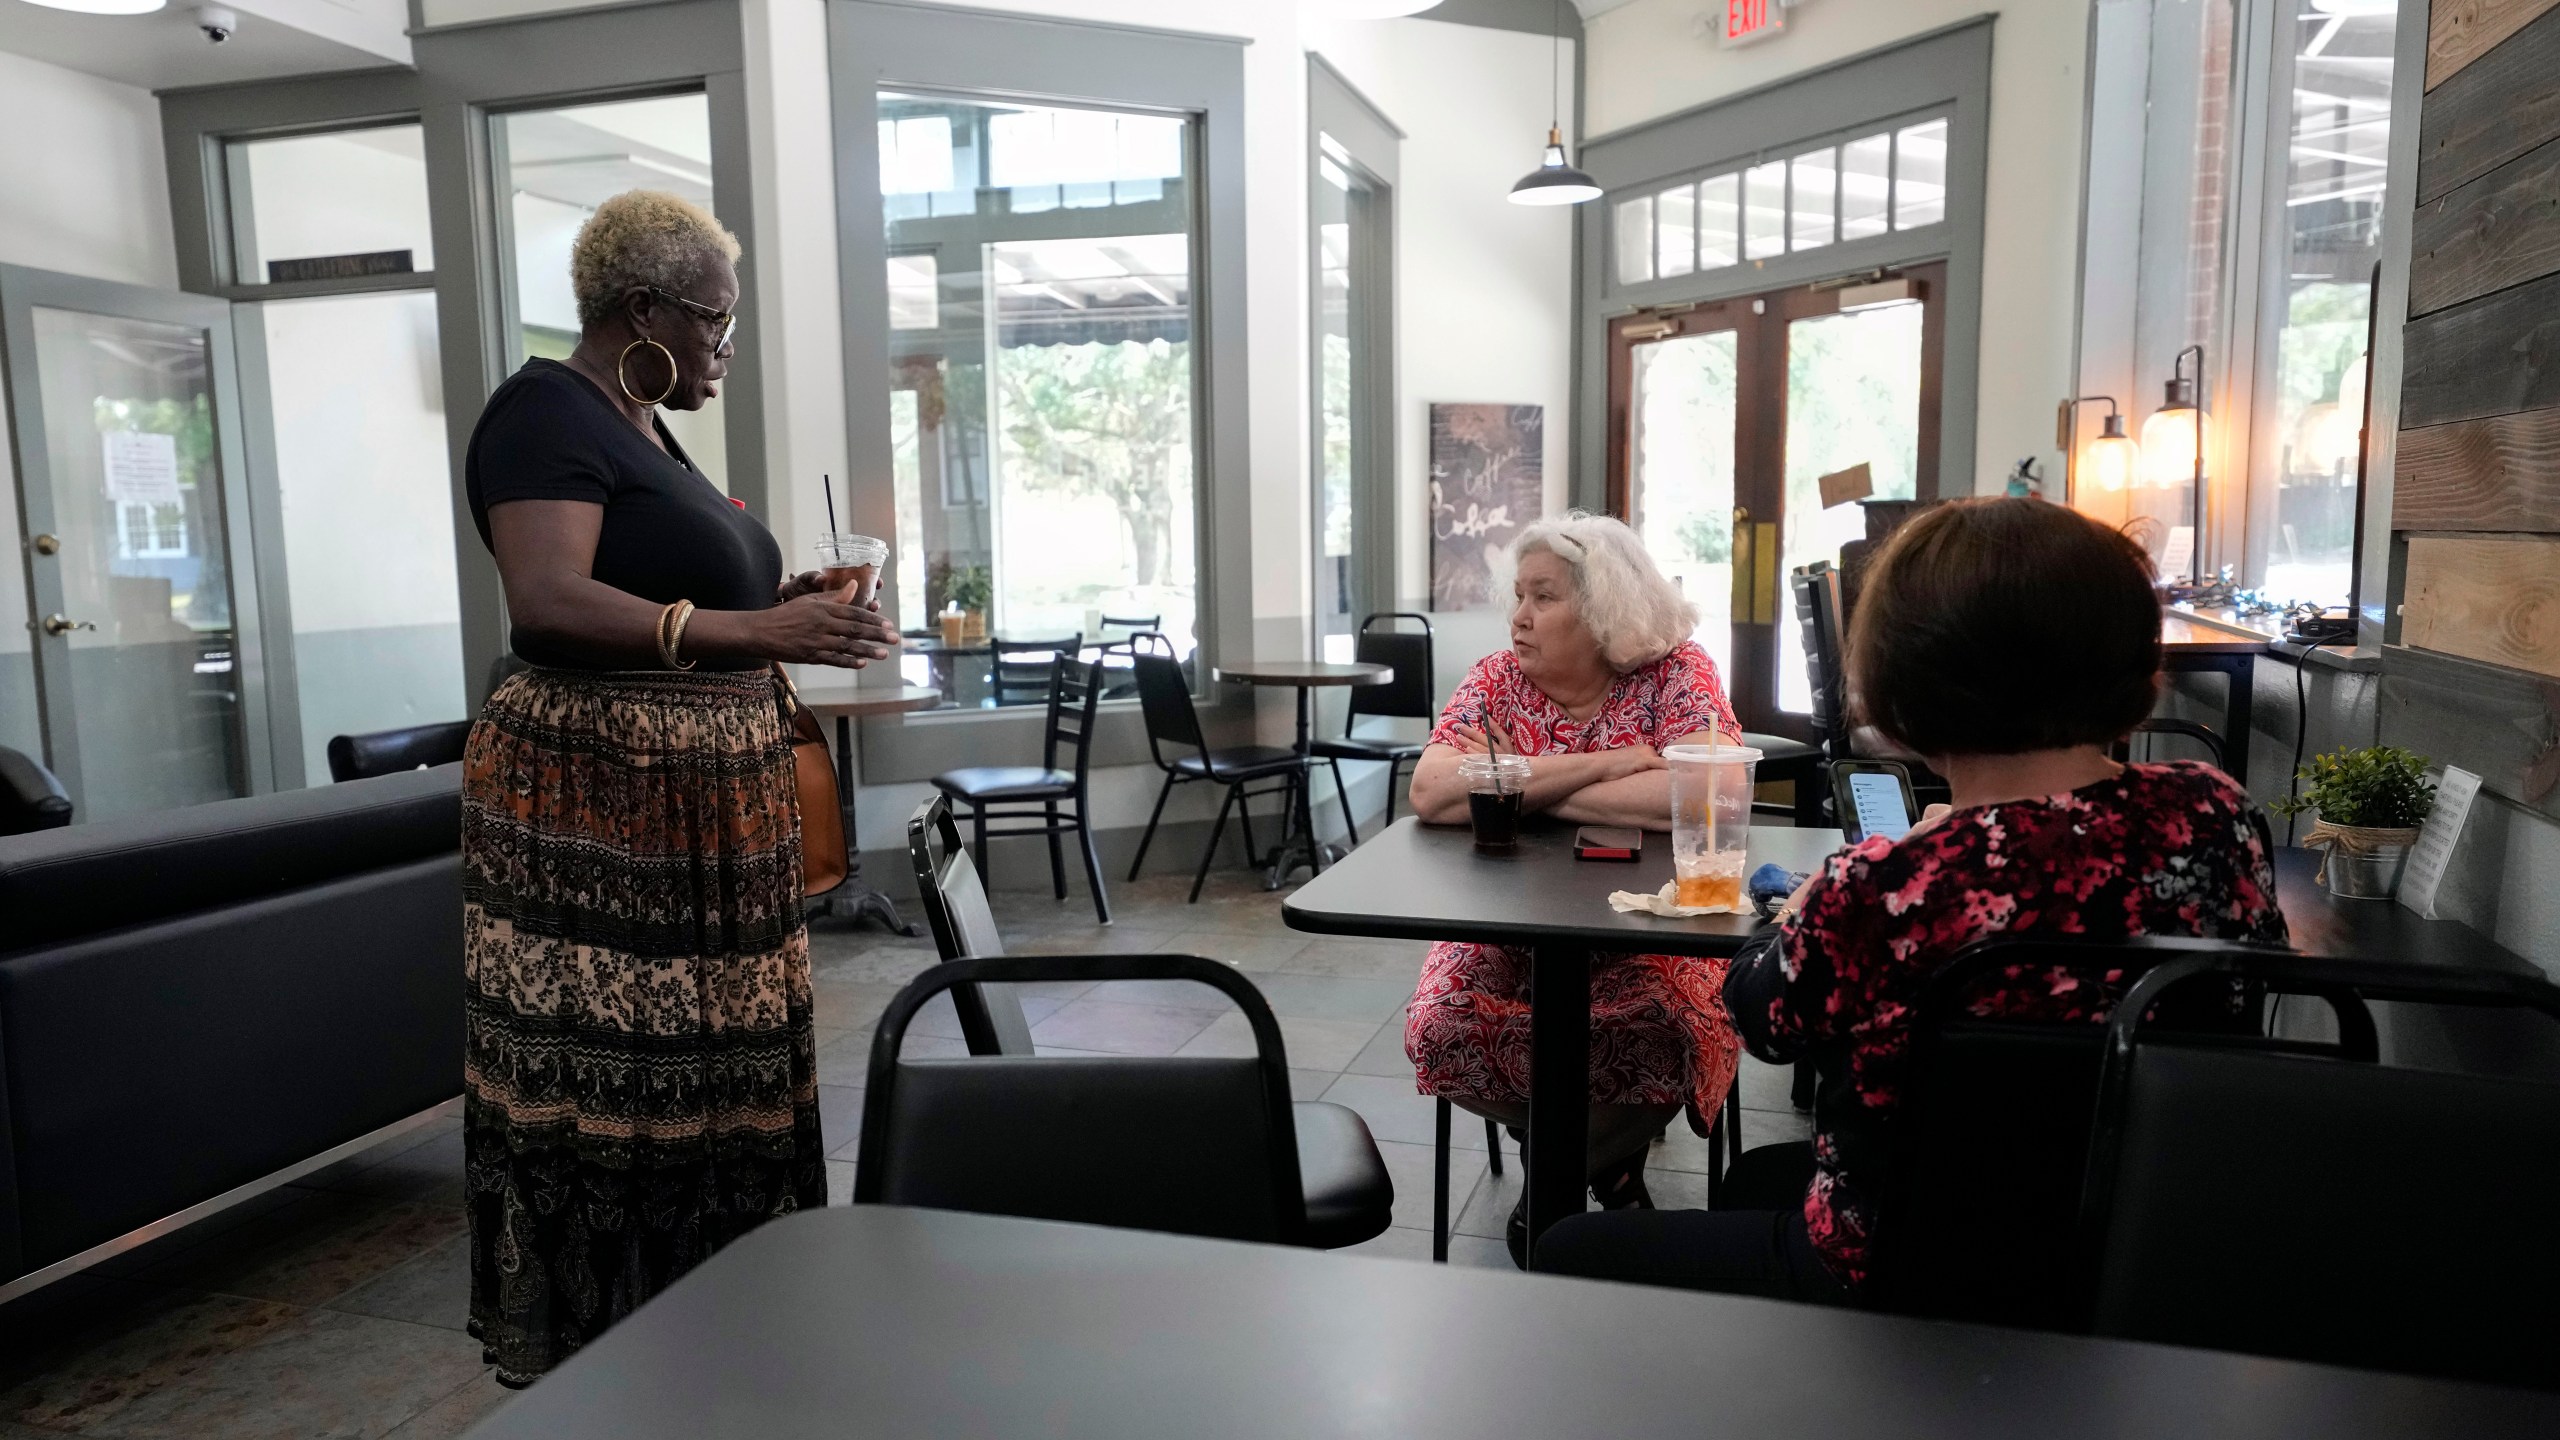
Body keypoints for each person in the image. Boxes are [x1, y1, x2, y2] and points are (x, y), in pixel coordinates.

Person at [1538, 497, 2289, 1302]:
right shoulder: (2217, 814)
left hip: (1905, 1263)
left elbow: (1762, 1020)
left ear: (1906, 677)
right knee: (1760, 1178)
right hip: (2150, 1246)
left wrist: (1816, 900)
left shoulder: (1887, 886)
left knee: (1572, 1247)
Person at [457, 189, 898, 1385]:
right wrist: (762, 623)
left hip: (694, 815)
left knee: (715, 1070)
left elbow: (682, 590)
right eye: (717, 322)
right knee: (633, 1073)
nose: (726, 347)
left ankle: (721, 1319)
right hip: (605, 814)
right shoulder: (543, 410)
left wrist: (787, 602)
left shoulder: (639, 424)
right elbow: (547, 601)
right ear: (642, 310)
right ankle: (622, 1348)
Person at [1403, 512, 1744, 1267]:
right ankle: (1606, 1167)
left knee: (1665, 1031)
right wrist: (1609, 763)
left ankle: (1551, 1185)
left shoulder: (1676, 672)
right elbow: (1430, 791)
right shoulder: (1495, 678)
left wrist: (1510, 784)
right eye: (1518, 596)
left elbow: (1712, 793)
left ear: (1603, 610)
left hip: (1654, 927)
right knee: (1441, 1024)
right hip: (1508, 928)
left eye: (1543, 597)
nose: (1518, 617)